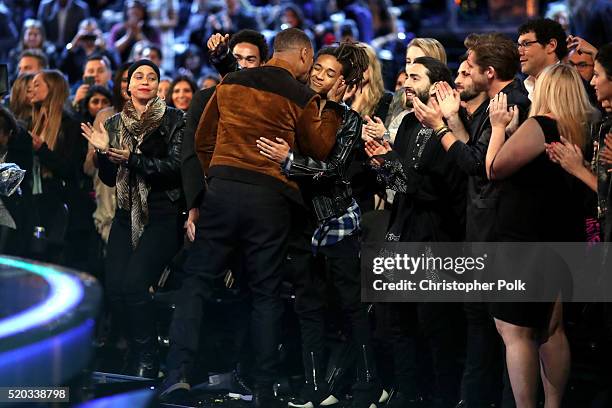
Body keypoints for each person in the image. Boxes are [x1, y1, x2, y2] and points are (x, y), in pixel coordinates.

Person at [161, 28, 345, 408]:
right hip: (271, 200)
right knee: (265, 294)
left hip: (223, 193)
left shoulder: (231, 83)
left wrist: (221, 175)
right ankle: (263, 389)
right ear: (305, 55)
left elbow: (203, 140)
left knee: (196, 281)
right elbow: (322, 147)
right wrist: (335, 107)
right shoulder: (302, 94)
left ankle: (175, 375)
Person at [256, 43, 385, 408]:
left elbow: (335, 171)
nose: (319, 76)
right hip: (300, 224)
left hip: (337, 222)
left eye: (330, 73)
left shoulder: (349, 120)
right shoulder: (295, 111)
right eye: (317, 69)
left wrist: (290, 161)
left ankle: (369, 385)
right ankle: (315, 389)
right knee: (307, 307)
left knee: (351, 306)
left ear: (343, 83)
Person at [486, 64, 595, 408]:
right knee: (552, 327)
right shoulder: (580, 129)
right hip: (563, 240)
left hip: (525, 242)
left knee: (515, 332)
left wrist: (498, 128)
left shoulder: (541, 125)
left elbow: (494, 167)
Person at [365, 57, 466, 408]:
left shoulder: (452, 127)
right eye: (407, 75)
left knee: (435, 328)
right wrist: (382, 164)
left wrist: (390, 163)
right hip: (401, 233)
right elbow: (401, 185)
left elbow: (434, 189)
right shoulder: (407, 122)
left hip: (435, 240)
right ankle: (407, 395)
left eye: (415, 77)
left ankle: (442, 397)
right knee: (396, 323)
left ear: (437, 84)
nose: (407, 81)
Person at [81, 59, 184, 379]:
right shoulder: (113, 124)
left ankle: (148, 358)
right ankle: (139, 351)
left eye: (152, 77)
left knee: (134, 285)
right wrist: (101, 153)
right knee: (115, 289)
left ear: (157, 86)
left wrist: (133, 159)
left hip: (162, 213)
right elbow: (111, 180)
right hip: (126, 213)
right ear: (127, 85)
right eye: (138, 76)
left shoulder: (174, 119)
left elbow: (174, 168)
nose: (145, 81)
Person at [517, 18, 568, 100]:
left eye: (526, 44)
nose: (519, 52)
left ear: (551, 45)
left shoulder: (569, 87)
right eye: (519, 45)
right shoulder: (523, 89)